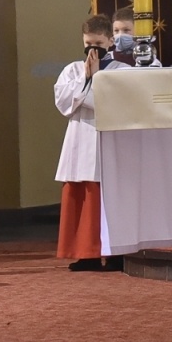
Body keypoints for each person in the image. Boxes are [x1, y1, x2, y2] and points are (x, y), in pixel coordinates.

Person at [55, 14, 127, 271]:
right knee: (84, 195)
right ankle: (87, 253)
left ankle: (118, 253)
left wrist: (95, 80)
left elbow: (116, 104)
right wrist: (87, 77)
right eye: (87, 43)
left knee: (113, 196)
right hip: (80, 140)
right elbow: (63, 103)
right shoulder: (72, 70)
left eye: (97, 42)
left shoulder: (122, 71)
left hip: (111, 141)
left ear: (110, 41)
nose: (92, 49)